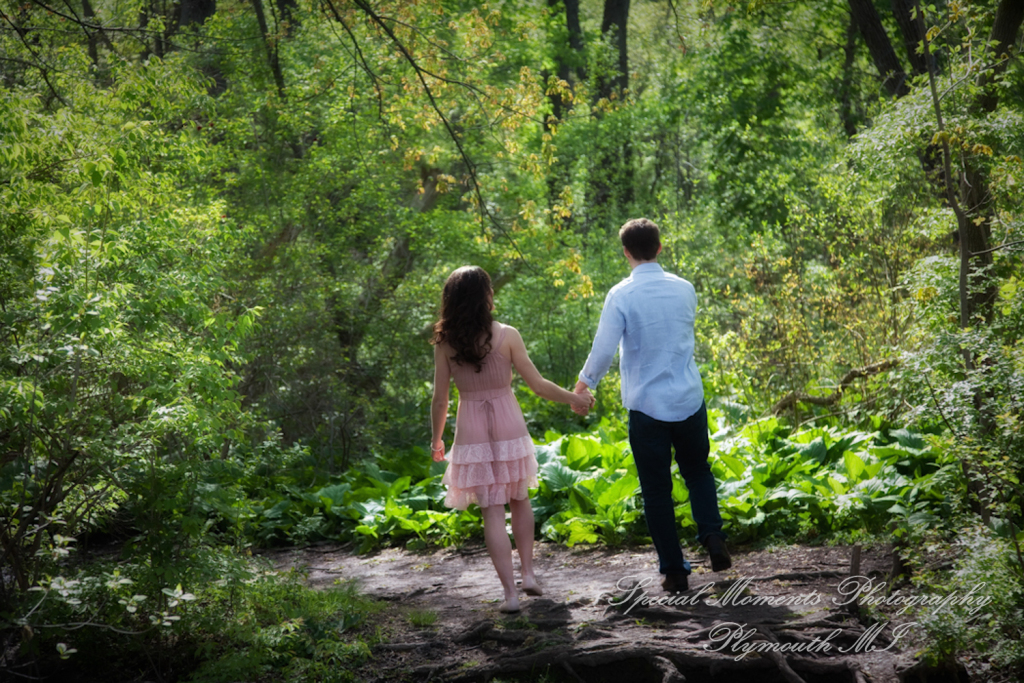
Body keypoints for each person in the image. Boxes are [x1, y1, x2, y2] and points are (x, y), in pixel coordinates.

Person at [573, 218, 731, 593]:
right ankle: (712, 536)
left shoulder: (621, 295)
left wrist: (583, 388)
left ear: (626, 252)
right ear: (660, 248)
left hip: (647, 408)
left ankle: (675, 571)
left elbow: (604, 350)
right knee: (698, 472)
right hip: (689, 399)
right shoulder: (685, 289)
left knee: (657, 490)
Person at [431, 266, 594, 613]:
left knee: (492, 510)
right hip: (509, 424)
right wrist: (574, 398)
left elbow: (440, 398)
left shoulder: (445, 342)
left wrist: (437, 439)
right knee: (520, 499)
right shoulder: (507, 335)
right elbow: (538, 385)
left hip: (471, 427)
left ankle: (510, 595)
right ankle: (530, 575)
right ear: (487, 297)